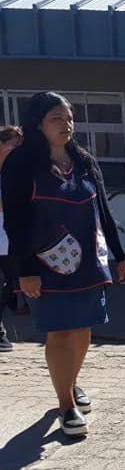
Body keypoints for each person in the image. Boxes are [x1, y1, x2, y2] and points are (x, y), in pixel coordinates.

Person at [0, 92, 125, 437]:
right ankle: (65, 405)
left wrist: (119, 255)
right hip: (43, 265)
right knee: (59, 331)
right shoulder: (21, 164)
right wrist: (25, 270)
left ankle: (71, 383)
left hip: (88, 261)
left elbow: (103, 210)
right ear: (38, 123)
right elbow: (15, 221)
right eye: (57, 118)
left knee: (83, 328)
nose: (66, 124)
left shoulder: (83, 160)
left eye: (69, 117)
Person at [0, 126, 23, 352]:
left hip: (10, 237)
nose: (17, 150)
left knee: (9, 283)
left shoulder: (17, 171)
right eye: (13, 145)